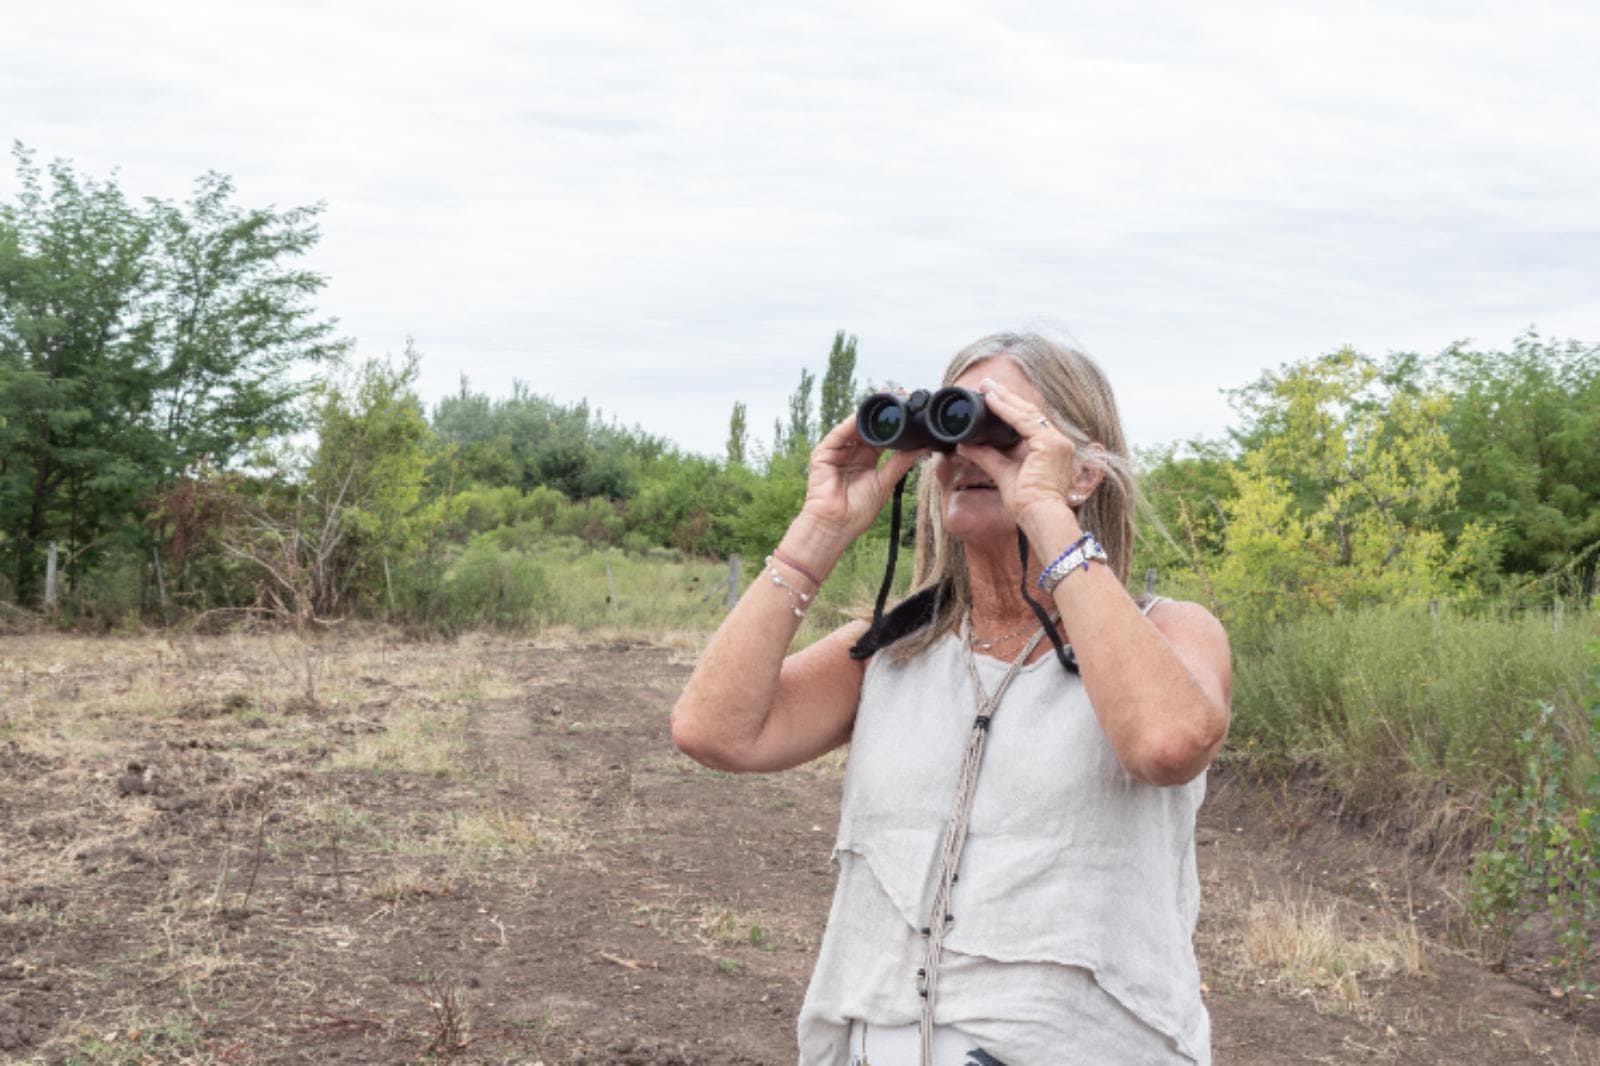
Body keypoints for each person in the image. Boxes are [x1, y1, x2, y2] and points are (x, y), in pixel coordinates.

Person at [672, 332, 1231, 1065]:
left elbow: (1165, 743)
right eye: (951, 429)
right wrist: (821, 528)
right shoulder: (895, 649)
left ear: (1084, 471)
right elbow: (713, 731)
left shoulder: (1168, 632)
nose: (968, 452)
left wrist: (1046, 513)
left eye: (1000, 428)